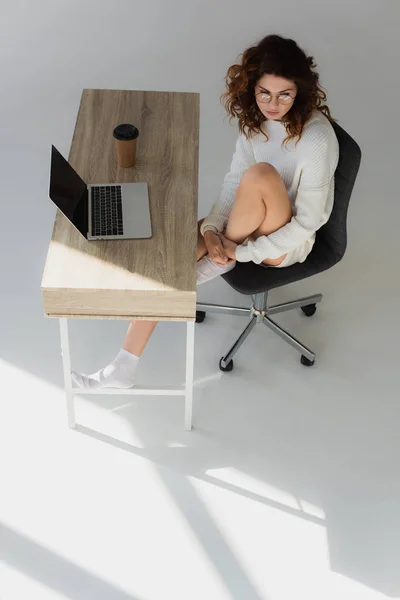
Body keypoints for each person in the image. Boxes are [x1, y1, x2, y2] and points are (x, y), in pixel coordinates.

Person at [72, 34, 339, 389]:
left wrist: (242, 251)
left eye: (284, 95)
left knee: (259, 176)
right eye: (264, 93)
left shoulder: (317, 139)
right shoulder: (256, 122)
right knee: (179, 254)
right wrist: (212, 230)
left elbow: (310, 221)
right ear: (251, 88)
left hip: (285, 242)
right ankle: (125, 364)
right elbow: (233, 184)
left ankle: (157, 292)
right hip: (245, 222)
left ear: (300, 91)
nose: (273, 104)